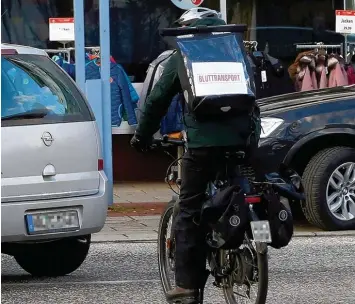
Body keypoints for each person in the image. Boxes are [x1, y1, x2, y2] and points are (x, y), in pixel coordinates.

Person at [130, 7, 261, 303]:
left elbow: (157, 100)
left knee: (189, 208)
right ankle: (248, 247)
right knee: (237, 192)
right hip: (242, 141)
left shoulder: (185, 55)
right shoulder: (237, 49)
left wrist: (142, 136)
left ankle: (187, 287)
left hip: (202, 146)